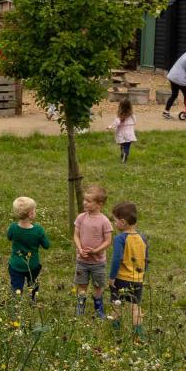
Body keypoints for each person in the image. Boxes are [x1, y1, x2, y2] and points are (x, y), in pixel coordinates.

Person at [108, 202, 149, 337]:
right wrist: (142, 275)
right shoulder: (142, 238)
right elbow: (146, 259)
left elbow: (116, 259)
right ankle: (139, 335)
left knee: (116, 305)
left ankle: (115, 332)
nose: (114, 224)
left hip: (121, 279)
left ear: (123, 222)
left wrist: (112, 277)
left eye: (115, 221)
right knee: (135, 307)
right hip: (138, 279)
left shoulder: (120, 238)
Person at [73, 185, 113, 318]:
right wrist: (79, 248)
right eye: (85, 200)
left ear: (99, 204)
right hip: (82, 261)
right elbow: (76, 235)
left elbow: (108, 241)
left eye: (89, 201)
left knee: (98, 286)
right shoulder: (81, 218)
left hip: (98, 263)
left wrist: (96, 250)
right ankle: (80, 307)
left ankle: (98, 308)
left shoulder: (105, 221)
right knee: (82, 285)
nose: (85, 203)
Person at [7, 197, 51, 302]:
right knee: (33, 283)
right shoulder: (38, 230)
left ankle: (16, 304)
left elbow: (9, 237)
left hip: (15, 265)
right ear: (31, 214)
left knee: (16, 286)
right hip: (32, 265)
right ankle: (33, 300)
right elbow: (46, 245)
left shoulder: (13, 228)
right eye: (34, 210)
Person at [107, 99, 137, 163]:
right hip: (129, 134)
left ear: (120, 107)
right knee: (127, 145)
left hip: (121, 134)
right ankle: (125, 154)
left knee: (122, 145)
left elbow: (116, 123)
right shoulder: (132, 116)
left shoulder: (119, 116)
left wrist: (110, 126)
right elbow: (135, 122)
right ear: (130, 107)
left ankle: (122, 153)